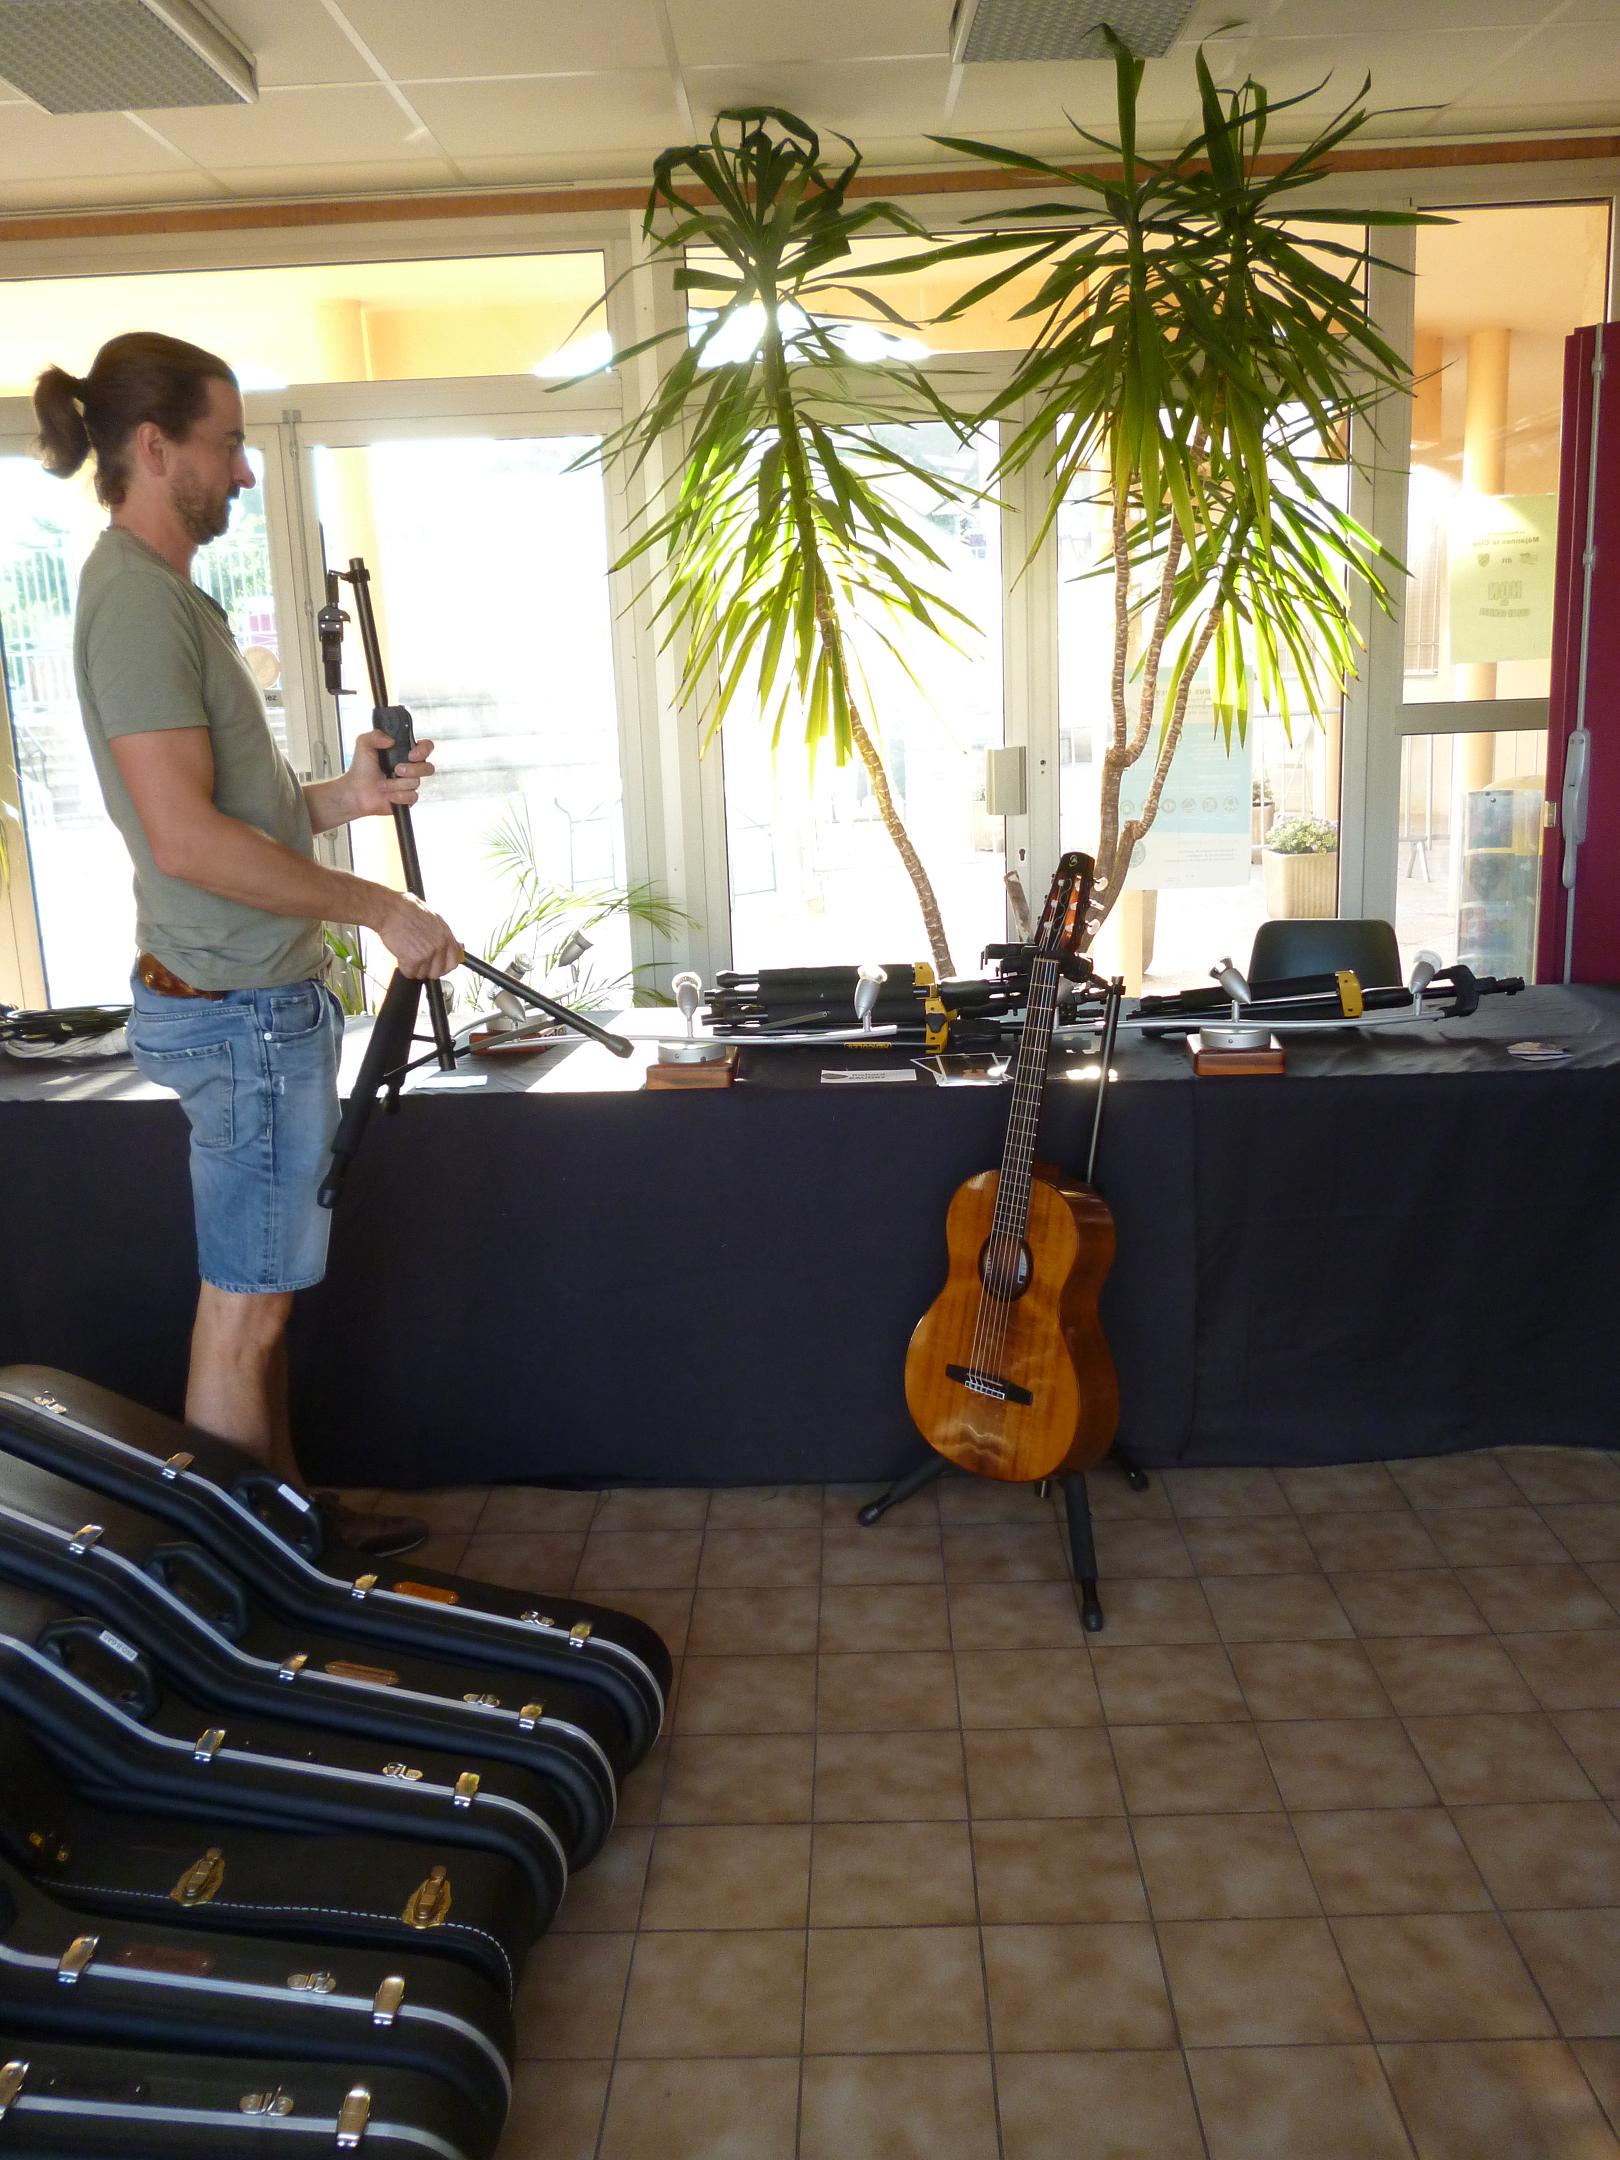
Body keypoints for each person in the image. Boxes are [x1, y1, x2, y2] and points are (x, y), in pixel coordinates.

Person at [33, 330, 460, 1558]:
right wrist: (380, 908)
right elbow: (185, 842)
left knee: (258, 1304)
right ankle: (236, 1593)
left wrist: (351, 797)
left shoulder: (168, 598)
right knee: (243, 1316)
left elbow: (234, 819)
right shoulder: (134, 603)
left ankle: (289, 1530)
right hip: (239, 1013)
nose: (243, 470)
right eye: (225, 446)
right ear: (154, 447)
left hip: (249, 1004)